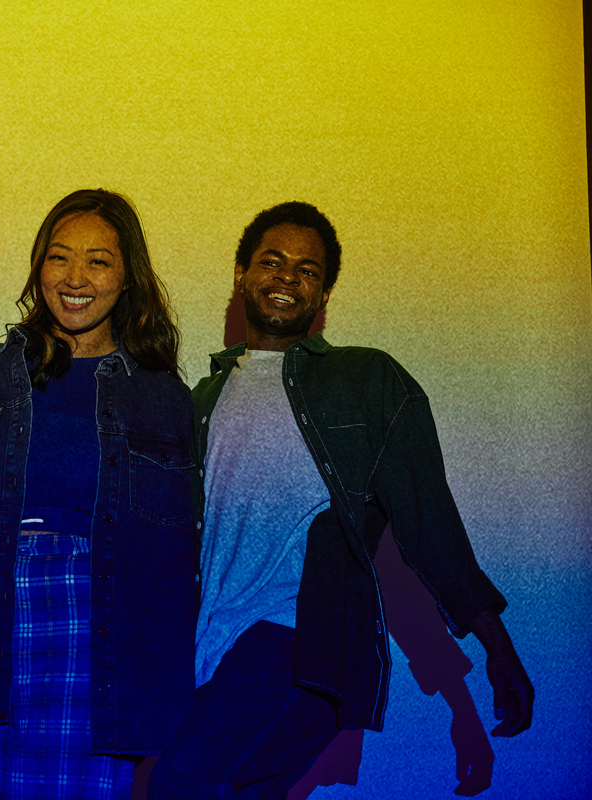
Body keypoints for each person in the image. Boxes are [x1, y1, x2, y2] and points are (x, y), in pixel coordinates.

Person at [148, 201, 535, 799]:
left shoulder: (366, 381)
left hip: (301, 639)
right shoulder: (197, 400)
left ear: (323, 293)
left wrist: (496, 651)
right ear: (241, 274)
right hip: (208, 650)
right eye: (272, 261)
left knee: (183, 781)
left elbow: (430, 524)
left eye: (307, 270)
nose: (287, 276)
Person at [0, 189, 202, 798]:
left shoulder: (164, 400)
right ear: (38, 265)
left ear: (128, 277)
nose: (75, 278)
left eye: (99, 261)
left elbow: (176, 562)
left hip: (94, 633)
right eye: (59, 256)